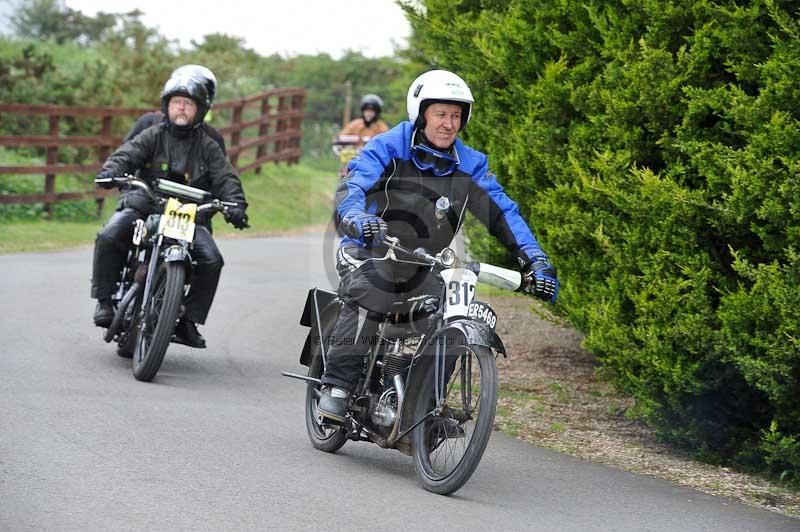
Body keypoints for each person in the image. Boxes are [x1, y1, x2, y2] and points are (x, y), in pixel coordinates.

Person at [317, 70, 559, 422]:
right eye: (441, 114)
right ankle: (337, 386)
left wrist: (534, 259)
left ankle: (424, 405)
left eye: (456, 116)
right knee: (373, 289)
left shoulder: (470, 165)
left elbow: (503, 213)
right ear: (422, 113)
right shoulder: (388, 146)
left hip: (425, 262)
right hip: (368, 248)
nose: (449, 124)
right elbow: (353, 185)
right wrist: (357, 217)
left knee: (454, 310)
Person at [91, 73, 248, 349]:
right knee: (110, 234)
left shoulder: (209, 144)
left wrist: (235, 204)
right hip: (147, 201)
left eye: (188, 104)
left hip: (189, 211)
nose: (182, 108)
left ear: (200, 109)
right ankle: (104, 301)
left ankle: (189, 319)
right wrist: (111, 172)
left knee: (211, 259)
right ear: (167, 106)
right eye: (177, 102)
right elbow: (127, 154)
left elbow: (226, 178)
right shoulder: (153, 132)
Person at [124, 65, 227, 156]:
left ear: (202, 107)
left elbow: (223, 174)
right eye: (177, 101)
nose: (181, 107)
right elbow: (123, 157)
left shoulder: (212, 138)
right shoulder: (148, 124)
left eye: (189, 102)